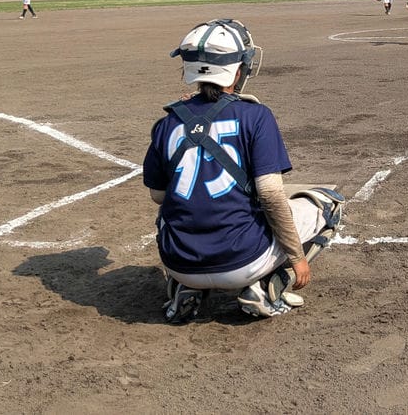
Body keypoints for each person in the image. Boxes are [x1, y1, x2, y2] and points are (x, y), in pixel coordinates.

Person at [144, 19, 344, 323]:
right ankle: (265, 286)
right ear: (238, 69)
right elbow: (271, 196)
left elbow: (158, 195)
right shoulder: (256, 115)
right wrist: (297, 258)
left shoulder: (167, 122)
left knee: (170, 210)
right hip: (242, 261)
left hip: (178, 261)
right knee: (329, 204)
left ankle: (187, 286)